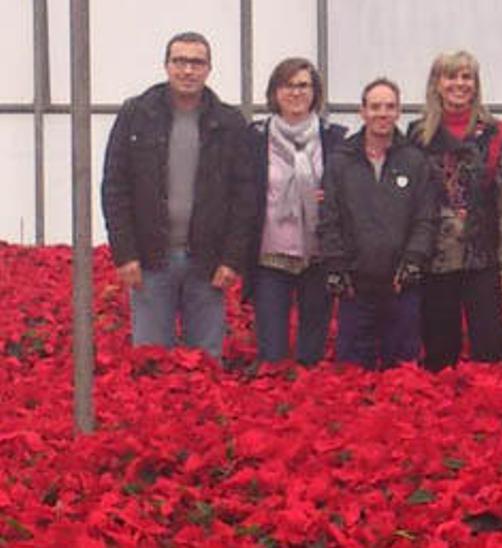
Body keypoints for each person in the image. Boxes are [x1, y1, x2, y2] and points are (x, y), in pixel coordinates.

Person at [101, 31, 254, 361]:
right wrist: (124, 254)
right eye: (180, 61)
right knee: (151, 364)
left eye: (196, 62)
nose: (188, 70)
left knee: (206, 364)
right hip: (151, 262)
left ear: (209, 68)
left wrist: (231, 259)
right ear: (166, 66)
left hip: (208, 264)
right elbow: (115, 187)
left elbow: (245, 197)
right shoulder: (136, 114)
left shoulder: (229, 123)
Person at [317, 78, 438, 370]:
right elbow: (329, 217)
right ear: (362, 112)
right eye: (375, 107)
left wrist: (413, 260)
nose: (382, 113)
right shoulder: (340, 161)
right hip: (355, 289)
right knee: (352, 376)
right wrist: (335, 264)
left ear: (398, 113)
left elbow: (426, 217)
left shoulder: (415, 161)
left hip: (401, 286)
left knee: (402, 371)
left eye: (390, 107)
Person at [407, 50, 502, 369]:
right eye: (451, 76)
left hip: (482, 258)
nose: (459, 83)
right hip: (433, 259)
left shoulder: (496, 133)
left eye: (466, 77)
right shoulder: (416, 135)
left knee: (490, 350)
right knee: (439, 353)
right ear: (437, 84)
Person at [243, 57, 347, 366]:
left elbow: (346, 193)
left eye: (303, 85)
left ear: (316, 92)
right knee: (271, 354)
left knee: (311, 357)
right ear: (274, 92)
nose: (295, 92)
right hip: (270, 258)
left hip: (317, 257)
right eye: (287, 85)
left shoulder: (335, 138)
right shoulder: (255, 138)